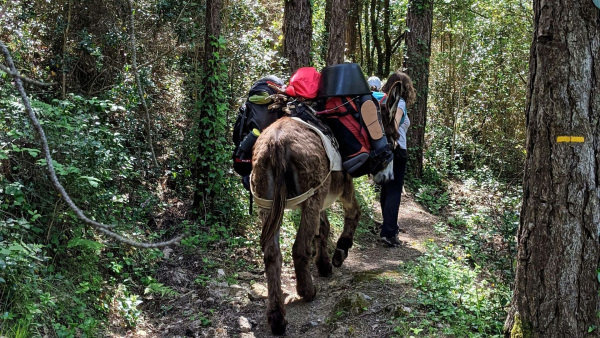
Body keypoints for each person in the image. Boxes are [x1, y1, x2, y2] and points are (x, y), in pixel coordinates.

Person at [378, 71, 416, 247]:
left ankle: (388, 226)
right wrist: (392, 137)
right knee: (394, 191)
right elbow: (395, 123)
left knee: (386, 190)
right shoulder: (399, 102)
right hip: (397, 150)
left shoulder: (383, 100)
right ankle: (389, 232)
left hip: (384, 150)